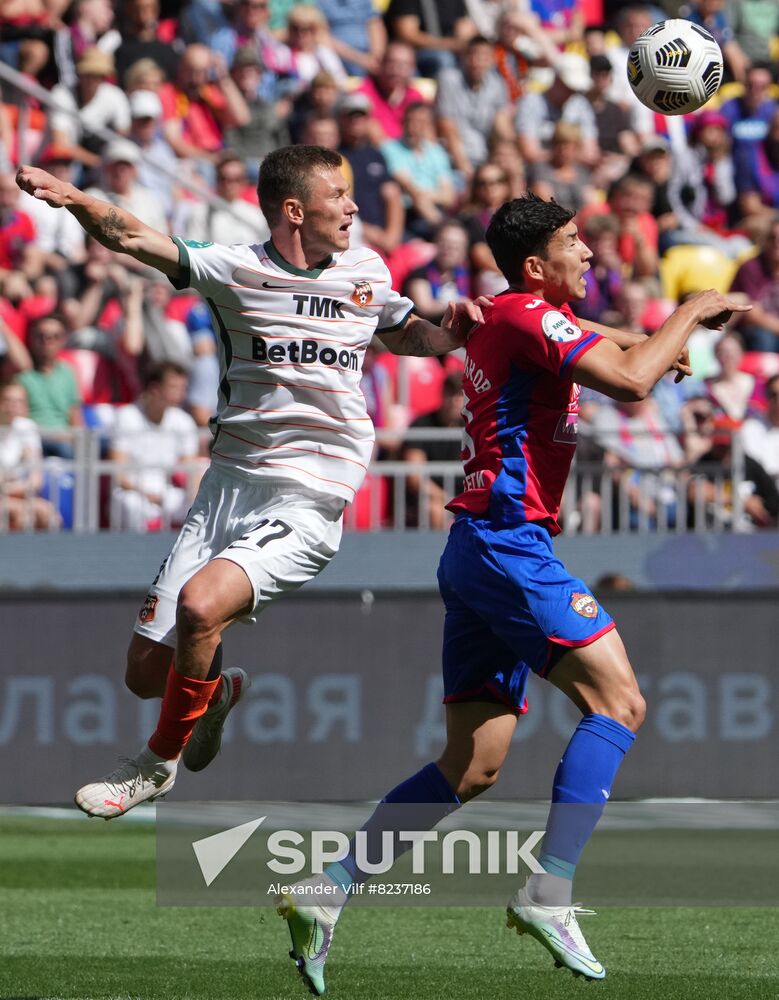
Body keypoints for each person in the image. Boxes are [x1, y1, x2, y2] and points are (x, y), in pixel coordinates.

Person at [275, 194, 748, 994]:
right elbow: (630, 378)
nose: (590, 254)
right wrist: (694, 307)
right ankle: (548, 891)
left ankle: (328, 889)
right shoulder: (527, 316)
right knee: (619, 704)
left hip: (474, 551)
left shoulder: (513, 314)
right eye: (573, 243)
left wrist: (669, 339)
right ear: (536, 264)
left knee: (472, 765)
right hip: (507, 544)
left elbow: (622, 349)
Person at [15, 144, 483, 818]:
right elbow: (133, 235)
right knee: (146, 672)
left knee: (202, 608)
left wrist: (448, 336)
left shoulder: (364, 270)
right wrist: (75, 197)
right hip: (226, 490)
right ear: (294, 210)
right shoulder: (233, 268)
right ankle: (218, 693)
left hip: (311, 493)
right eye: (338, 195)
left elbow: (401, 329)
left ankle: (155, 765)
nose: (354, 206)